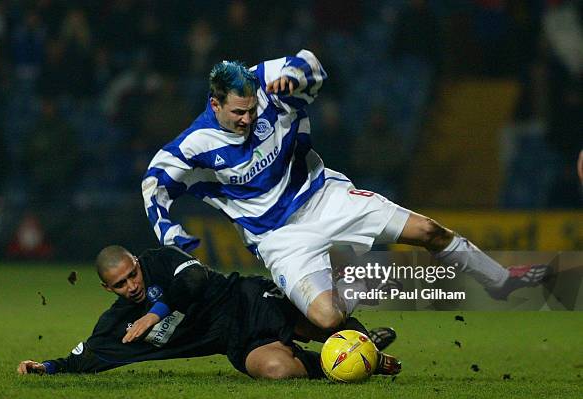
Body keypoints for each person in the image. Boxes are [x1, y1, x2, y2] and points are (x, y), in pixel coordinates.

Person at [141, 50, 551, 332]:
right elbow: (154, 183)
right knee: (328, 319)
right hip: (278, 238)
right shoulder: (195, 144)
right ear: (215, 105)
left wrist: (298, 77)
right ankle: (349, 285)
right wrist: (168, 233)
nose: (248, 118)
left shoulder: (261, 80)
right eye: (238, 113)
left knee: (428, 232)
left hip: (324, 196)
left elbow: (311, 64)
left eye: (251, 110)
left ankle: (499, 280)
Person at [17, 245, 401, 379]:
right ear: (108, 289)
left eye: (132, 274)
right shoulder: (118, 324)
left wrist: (155, 314)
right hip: (237, 342)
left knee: (323, 321)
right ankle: (340, 365)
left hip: (247, 298)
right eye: (120, 284)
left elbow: (196, 279)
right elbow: (86, 358)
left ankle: (367, 350)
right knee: (277, 370)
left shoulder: (162, 261)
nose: (131, 285)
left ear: (136, 262)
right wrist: (46, 368)